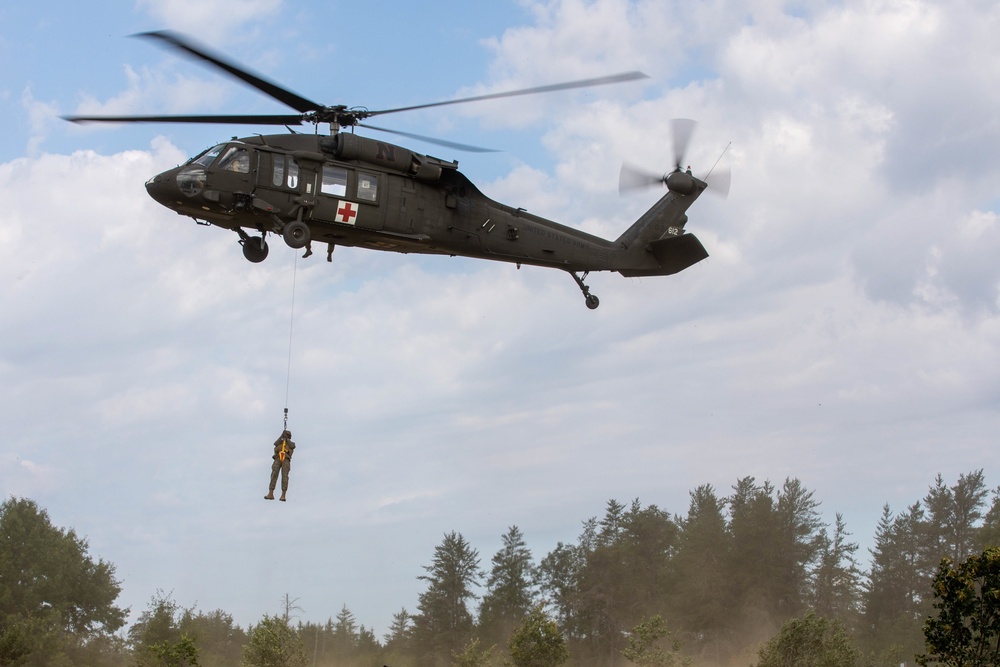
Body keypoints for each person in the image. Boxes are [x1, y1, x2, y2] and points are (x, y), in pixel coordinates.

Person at [264, 430, 296, 501]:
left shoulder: (290, 443)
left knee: (284, 476)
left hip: (286, 459)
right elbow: (275, 443)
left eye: (287, 435)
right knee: (274, 474)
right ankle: (271, 493)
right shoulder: (280, 441)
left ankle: (283, 494)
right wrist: (281, 436)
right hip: (278, 458)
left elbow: (292, 446)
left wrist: (286, 439)